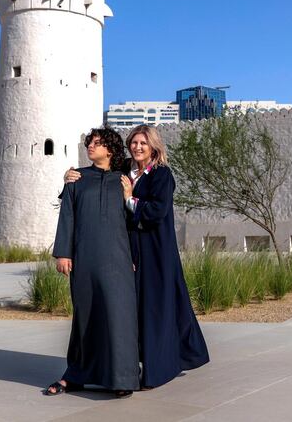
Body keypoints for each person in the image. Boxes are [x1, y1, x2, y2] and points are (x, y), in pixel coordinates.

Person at [64, 124, 209, 389]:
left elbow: (156, 211)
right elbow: (99, 178)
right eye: (134, 142)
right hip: (129, 252)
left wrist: (131, 199)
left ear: (153, 146)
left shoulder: (161, 175)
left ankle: (157, 370)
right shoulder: (125, 172)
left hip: (155, 252)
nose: (137, 147)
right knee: (134, 311)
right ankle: (126, 365)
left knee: (156, 309)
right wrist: (71, 175)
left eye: (143, 143)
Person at [46, 127, 140, 398]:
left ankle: (123, 378)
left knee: (119, 316)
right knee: (85, 317)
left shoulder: (124, 179)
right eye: (90, 143)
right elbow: (67, 217)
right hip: (85, 258)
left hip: (119, 259)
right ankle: (75, 375)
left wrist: (134, 256)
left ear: (110, 149)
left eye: (97, 143)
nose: (91, 146)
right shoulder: (77, 178)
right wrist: (63, 253)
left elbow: (134, 223)